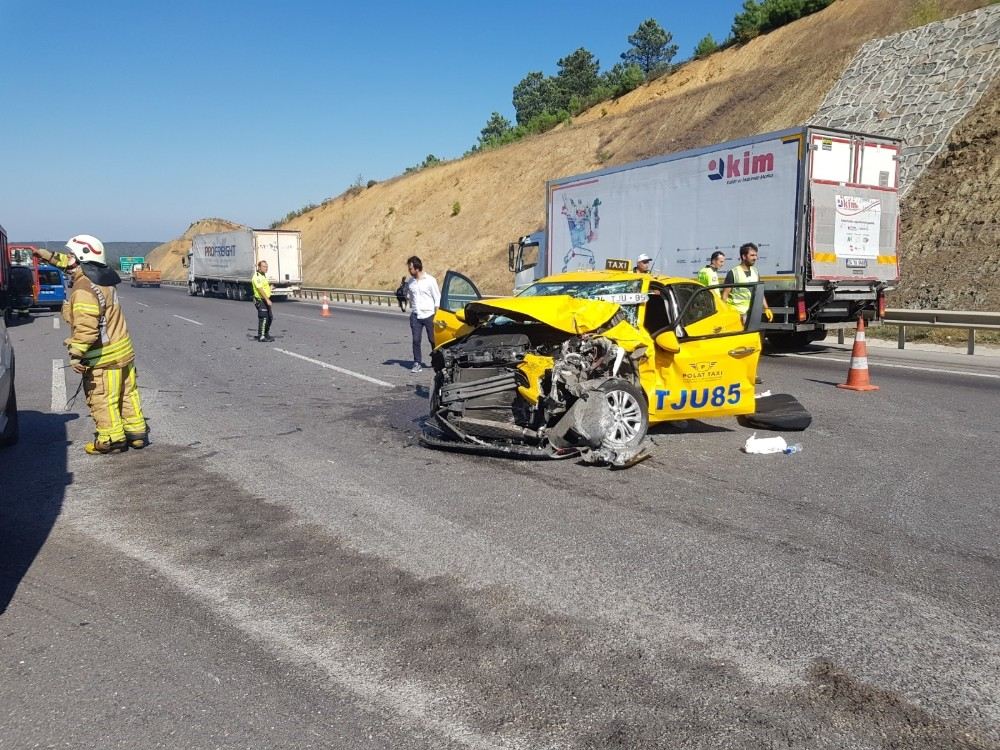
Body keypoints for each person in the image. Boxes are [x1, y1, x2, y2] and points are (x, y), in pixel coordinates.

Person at [36, 235, 149, 454]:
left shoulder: (84, 288)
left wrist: (76, 353)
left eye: (71, 255)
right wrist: (47, 255)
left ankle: (111, 439)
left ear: (81, 258)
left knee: (103, 397)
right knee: (128, 394)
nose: (67, 259)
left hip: (104, 357)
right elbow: (70, 264)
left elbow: (87, 328)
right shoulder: (103, 279)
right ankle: (136, 434)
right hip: (123, 352)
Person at [721, 242, 773, 325]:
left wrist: (766, 308)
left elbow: (760, 292)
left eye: (756, 255)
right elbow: (724, 295)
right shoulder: (733, 273)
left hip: (750, 314)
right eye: (752, 255)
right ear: (744, 256)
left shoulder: (755, 271)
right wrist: (724, 314)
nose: (755, 258)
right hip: (736, 314)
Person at [404, 256, 440, 373]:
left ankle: (437, 361)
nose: (409, 271)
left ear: (417, 268)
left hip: (429, 315)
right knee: (416, 340)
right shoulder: (411, 282)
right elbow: (409, 296)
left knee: (433, 340)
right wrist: (404, 294)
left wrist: (437, 315)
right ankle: (417, 363)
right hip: (416, 315)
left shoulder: (430, 280)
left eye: (410, 268)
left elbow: (437, 298)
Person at [252, 260, 274, 342]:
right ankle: (261, 336)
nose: (266, 268)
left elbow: (264, 287)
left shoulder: (263, 275)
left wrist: (270, 288)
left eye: (267, 266)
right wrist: (267, 299)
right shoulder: (257, 276)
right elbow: (260, 289)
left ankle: (266, 334)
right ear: (259, 267)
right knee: (264, 318)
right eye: (264, 266)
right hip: (261, 300)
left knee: (270, 318)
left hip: (265, 300)